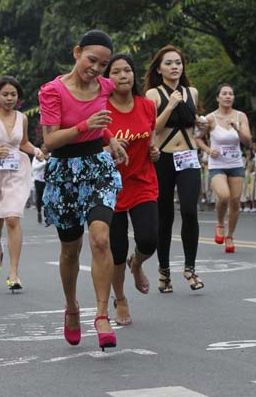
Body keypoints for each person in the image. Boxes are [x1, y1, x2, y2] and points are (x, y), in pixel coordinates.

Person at [39, 30, 128, 350]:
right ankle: (72, 306)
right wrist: (85, 126)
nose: (96, 69)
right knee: (70, 250)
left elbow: (101, 126)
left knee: (101, 238)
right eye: (92, 60)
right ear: (77, 52)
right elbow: (49, 141)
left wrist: (110, 139)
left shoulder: (105, 87)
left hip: (97, 168)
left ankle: (102, 314)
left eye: (103, 65)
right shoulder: (52, 91)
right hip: (63, 172)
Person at [0, 76, 44, 291]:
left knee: (12, 218)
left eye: (13, 94)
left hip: (16, 171)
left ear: (18, 97)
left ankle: (14, 273)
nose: (9, 98)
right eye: (5, 94)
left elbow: (23, 143)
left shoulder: (22, 118)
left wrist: (36, 151)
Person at [144, 45, 207, 292]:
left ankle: (190, 268)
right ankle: (164, 271)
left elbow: (195, 127)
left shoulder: (192, 92)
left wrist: (202, 124)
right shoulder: (153, 95)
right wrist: (169, 106)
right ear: (159, 69)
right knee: (165, 215)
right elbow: (152, 129)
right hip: (163, 158)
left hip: (188, 157)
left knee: (190, 210)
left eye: (178, 63)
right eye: (169, 63)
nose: (174, 67)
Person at [103, 54, 160, 325]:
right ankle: (120, 299)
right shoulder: (100, 110)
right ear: (107, 78)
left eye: (127, 70)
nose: (123, 75)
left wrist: (155, 149)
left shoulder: (147, 106)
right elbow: (90, 144)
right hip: (110, 186)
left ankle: (136, 263)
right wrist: (106, 148)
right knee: (115, 249)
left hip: (142, 181)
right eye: (116, 71)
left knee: (149, 239)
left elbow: (152, 135)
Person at [195, 83, 252, 253]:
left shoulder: (240, 117)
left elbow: (248, 141)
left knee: (235, 202)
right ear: (218, 98)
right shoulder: (210, 118)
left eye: (231, 94)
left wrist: (237, 129)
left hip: (235, 164)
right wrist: (208, 150)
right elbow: (197, 138)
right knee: (224, 196)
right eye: (224, 93)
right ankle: (220, 223)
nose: (228, 96)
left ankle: (230, 236)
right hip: (217, 164)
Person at [31, 145, 48, 224]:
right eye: (43, 147)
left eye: (45, 147)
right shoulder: (36, 157)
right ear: (41, 149)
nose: (44, 148)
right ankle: (39, 212)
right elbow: (34, 168)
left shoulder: (50, 156)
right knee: (39, 196)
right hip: (38, 180)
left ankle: (47, 214)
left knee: (47, 197)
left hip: (47, 180)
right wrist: (44, 162)